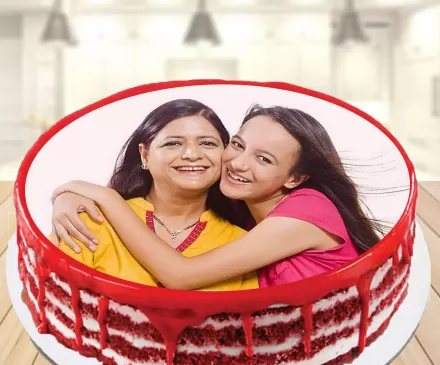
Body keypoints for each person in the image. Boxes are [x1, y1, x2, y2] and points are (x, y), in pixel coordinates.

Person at [52, 104, 382, 290]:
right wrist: (66, 196)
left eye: (264, 159)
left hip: (336, 347)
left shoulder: (306, 210)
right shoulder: (242, 210)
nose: (237, 163)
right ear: (144, 154)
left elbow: (181, 276)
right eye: (237, 145)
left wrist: (107, 199)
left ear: (295, 177)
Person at [50, 98, 259, 291]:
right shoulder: (90, 222)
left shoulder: (241, 243)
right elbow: (54, 305)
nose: (192, 155)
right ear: (145, 155)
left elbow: (250, 325)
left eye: (207, 143)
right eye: (173, 143)